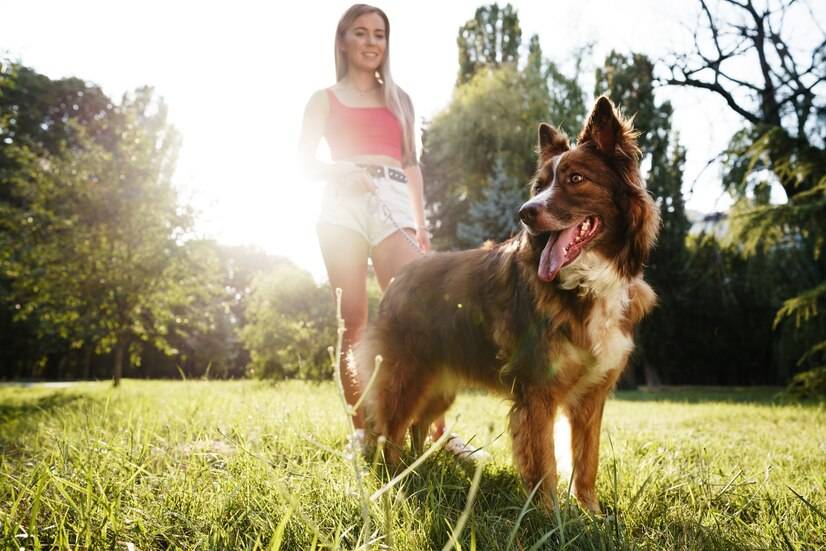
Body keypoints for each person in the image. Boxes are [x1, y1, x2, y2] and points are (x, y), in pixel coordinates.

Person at [299, 4, 488, 460]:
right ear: (343, 40)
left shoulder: (399, 99)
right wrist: (340, 169)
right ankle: (364, 433)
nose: (371, 42)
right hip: (341, 205)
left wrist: (421, 227)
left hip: (393, 202)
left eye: (379, 34)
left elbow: (411, 164)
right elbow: (304, 163)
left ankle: (439, 433)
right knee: (355, 321)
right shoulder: (323, 98)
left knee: (420, 314)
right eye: (360, 33)